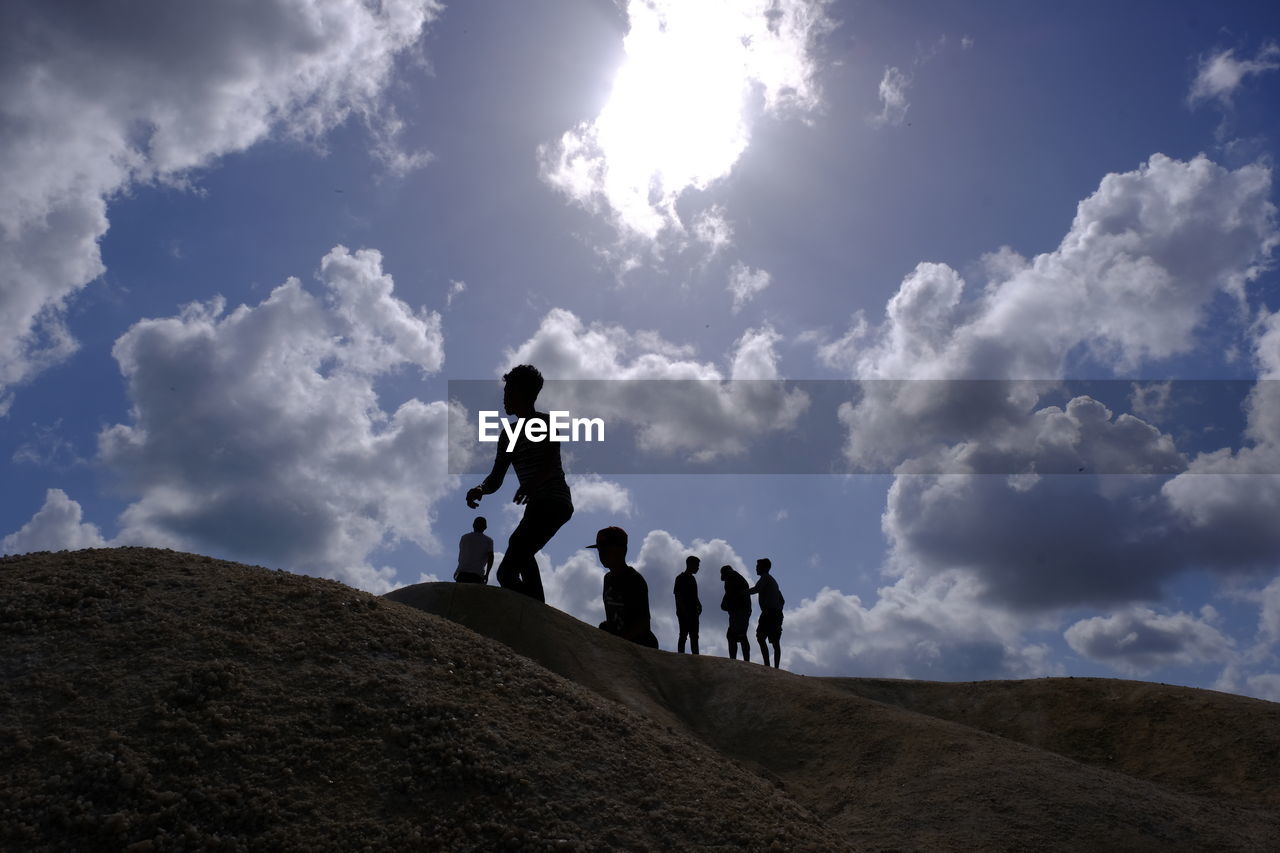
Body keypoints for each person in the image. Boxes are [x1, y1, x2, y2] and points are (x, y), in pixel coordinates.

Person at [465, 364, 573, 602]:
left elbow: (549, 463)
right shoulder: (508, 435)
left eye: (509, 393)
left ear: (525, 394)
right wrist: (480, 489)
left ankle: (537, 610)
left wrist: (530, 484)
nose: (504, 399)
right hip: (537, 504)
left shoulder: (546, 423)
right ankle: (536, 604)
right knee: (517, 560)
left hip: (554, 501)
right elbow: (495, 478)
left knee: (513, 557)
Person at [590, 526, 659, 649]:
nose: (602, 554)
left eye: (607, 548)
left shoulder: (634, 579)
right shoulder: (607, 579)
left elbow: (643, 625)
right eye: (600, 549)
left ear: (622, 550)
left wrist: (618, 642)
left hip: (638, 647)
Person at [749, 558, 785, 668]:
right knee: (774, 642)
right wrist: (778, 610)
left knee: (761, 637)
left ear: (764, 567)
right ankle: (774, 667)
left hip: (770, 613)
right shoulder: (772, 581)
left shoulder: (765, 578)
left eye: (758, 566)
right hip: (774, 613)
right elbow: (782, 600)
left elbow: (756, 589)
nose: (756, 568)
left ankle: (768, 666)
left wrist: (741, 593)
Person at [720, 565, 751, 661]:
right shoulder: (736, 577)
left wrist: (727, 606)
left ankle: (734, 660)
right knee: (740, 635)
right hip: (743, 611)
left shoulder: (731, 577)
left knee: (733, 635)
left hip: (739, 611)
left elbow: (730, 596)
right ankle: (745, 660)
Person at [673, 555, 702, 654]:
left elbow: (695, 595)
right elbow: (678, 596)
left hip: (694, 611)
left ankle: (696, 656)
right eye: (696, 565)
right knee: (683, 634)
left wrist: (699, 604)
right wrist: (683, 611)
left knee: (694, 636)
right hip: (684, 612)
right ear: (690, 565)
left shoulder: (693, 579)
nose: (698, 568)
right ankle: (681, 655)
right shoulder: (680, 578)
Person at [453, 517, 494, 584]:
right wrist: (487, 574)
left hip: (462, 574)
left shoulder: (464, 537)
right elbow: (491, 557)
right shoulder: (488, 540)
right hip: (477, 575)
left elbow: (462, 556)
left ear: (473, 525)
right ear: (485, 527)